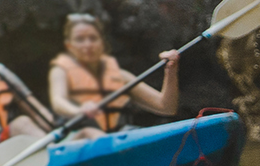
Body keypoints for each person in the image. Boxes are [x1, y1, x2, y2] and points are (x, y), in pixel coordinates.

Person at [49, 11, 178, 139]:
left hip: (115, 141)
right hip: (73, 143)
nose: (87, 45)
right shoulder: (61, 72)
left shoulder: (120, 77)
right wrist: (79, 111)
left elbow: (166, 107)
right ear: (69, 45)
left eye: (93, 38)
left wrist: (171, 70)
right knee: (90, 132)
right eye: (80, 39)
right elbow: (58, 102)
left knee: (137, 133)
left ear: (102, 42)